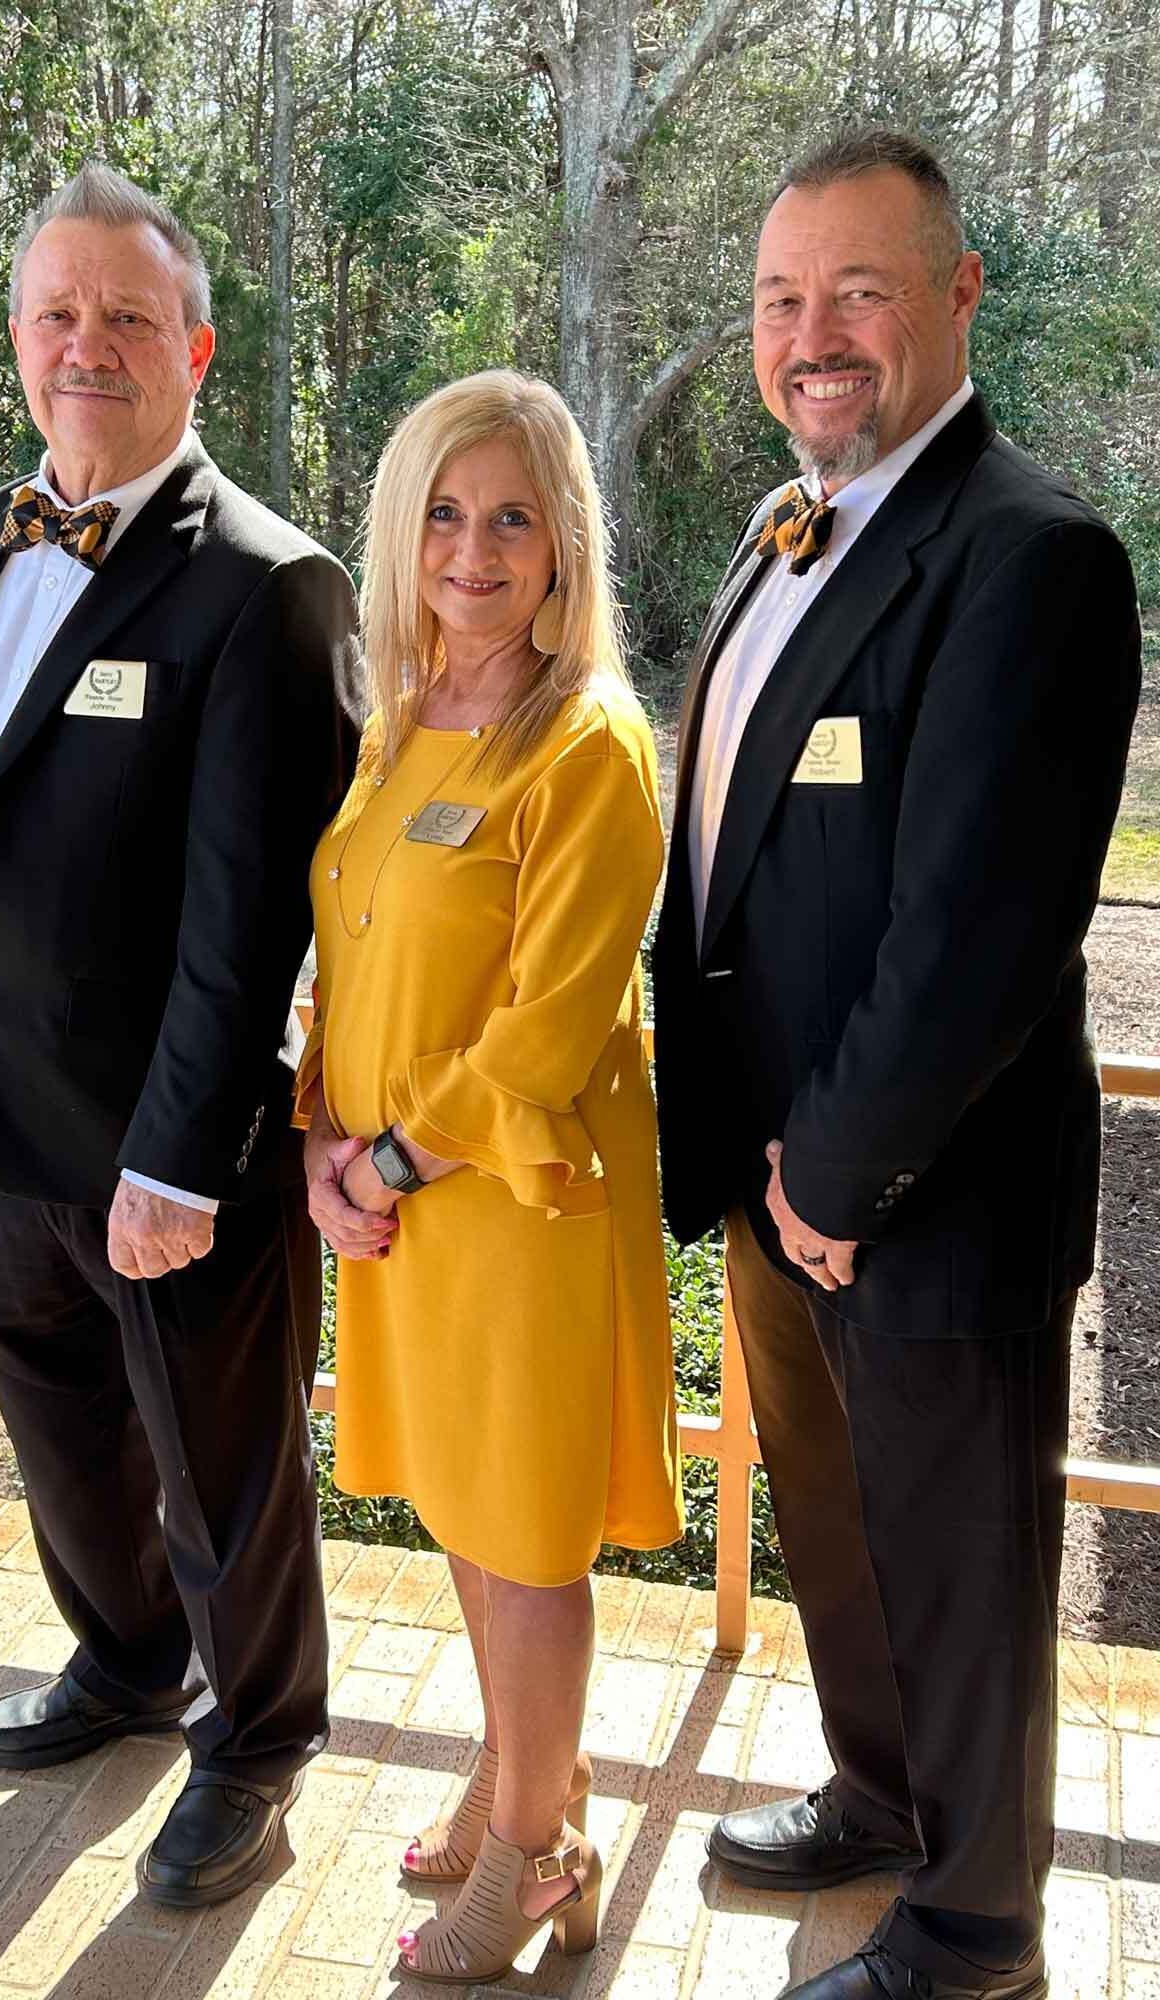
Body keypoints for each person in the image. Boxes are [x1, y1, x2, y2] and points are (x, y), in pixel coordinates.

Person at [654, 132, 1141, 2000]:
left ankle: (976, 1925)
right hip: (787, 1187)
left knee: (963, 1566)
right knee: (840, 1538)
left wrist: (837, 1179)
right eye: (784, 301)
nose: (814, 336)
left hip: (922, 1200)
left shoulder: (1030, 554)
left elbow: (976, 935)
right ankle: (876, 1792)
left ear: (955, 295)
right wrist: (767, 1178)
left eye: (859, 290)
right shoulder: (789, 536)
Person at [0, 163, 362, 1908]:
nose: (85, 345)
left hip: (164, 1152)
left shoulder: (267, 586)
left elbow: (254, 916)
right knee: (62, 1440)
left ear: (198, 348)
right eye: (56, 314)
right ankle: (120, 1663)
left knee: (223, 1476)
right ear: (17, 339)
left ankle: (254, 1742)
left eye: (125, 316)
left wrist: (181, 1159)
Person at [297, 370, 683, 1985]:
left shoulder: (584, 743)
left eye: (512, 515)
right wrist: (319, 1133)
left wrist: (377, 1156)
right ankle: (531, 1779)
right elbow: (350, 943)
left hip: (513, 1213)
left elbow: (542, 1034)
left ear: (560, 544)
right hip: (398, 1205)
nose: (474, 548)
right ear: (403, 538)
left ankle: (533, 1856)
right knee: (464, 1510)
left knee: (526, 1541)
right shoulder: (398, 720)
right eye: (445, 514)